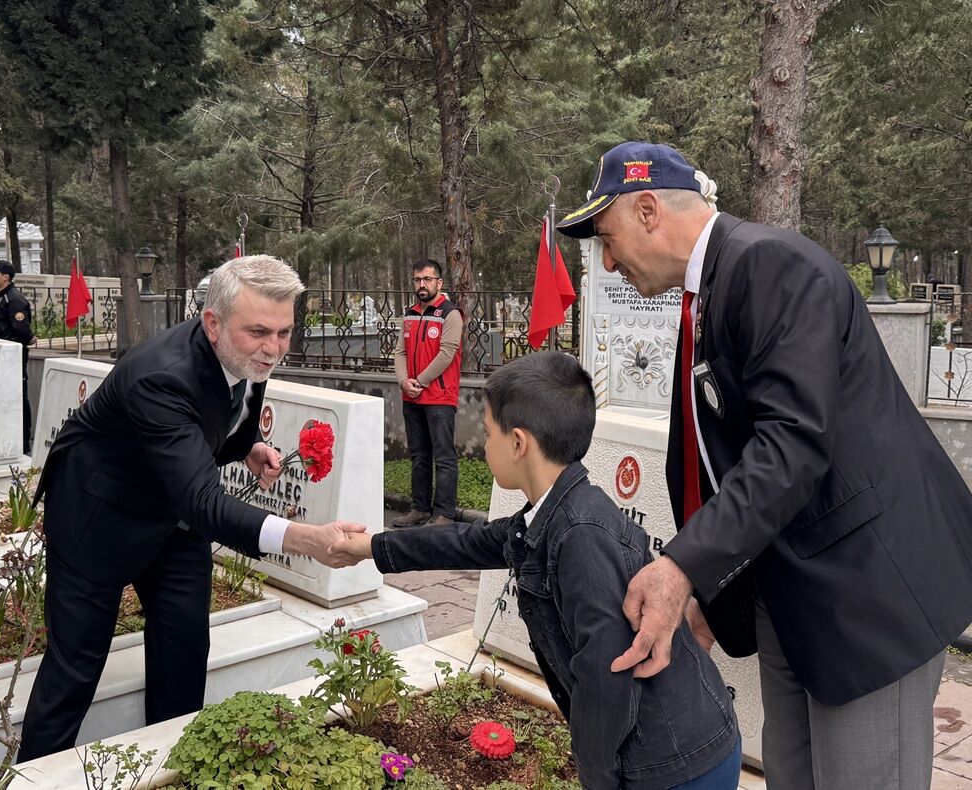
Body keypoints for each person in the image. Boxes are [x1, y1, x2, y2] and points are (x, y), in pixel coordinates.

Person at [557, 140, 972, 789]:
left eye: (607, 238)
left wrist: (681, 569)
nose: (607, 262)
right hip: (796, 594)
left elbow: (791, 444)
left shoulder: (766, 266)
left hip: (867, 597)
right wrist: (710, 596)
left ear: (646, 211)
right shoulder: (714, 288)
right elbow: (728, 460)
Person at [18, 254, 365, 763]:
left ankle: (173, 765)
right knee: (75, 666)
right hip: (99, 515)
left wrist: (245, 447)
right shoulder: (160, 375)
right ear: (212, 323)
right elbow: (202, 499)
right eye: (260, 333)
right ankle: (37, 775)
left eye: (285, 332)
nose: (273, 350)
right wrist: (305, 539)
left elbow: (219, 411)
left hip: (173, 519)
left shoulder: (242, 348)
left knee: (184, 650)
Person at [345, 352, 740, 789]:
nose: (483, 441)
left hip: (675, 766)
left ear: (518, 443)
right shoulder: (552, 514)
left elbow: (605, 678)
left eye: (489, 432)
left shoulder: (580, 537)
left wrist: (598, 781)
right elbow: (469, 542)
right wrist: (369, 547)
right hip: (666, 752)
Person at [390, 258, 464, 528]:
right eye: (417, 280)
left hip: (439, 398)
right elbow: (400, 352)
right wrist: (403, 381)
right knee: (419, 455)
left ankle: (444, 513)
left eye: (427, 279)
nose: (421, 284)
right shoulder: (409, 313)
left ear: (439, 283)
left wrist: (418, 380)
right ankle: (420, 508)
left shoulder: (450, 314)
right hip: (411, 396)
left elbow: (447, 354)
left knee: (443, 456)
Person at [0, 259, 35, 454]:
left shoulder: (13, 299)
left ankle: (23, 443)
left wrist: (28, 337)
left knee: (18, 397)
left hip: (12, 358)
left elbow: (21, 328)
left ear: (5, 277)